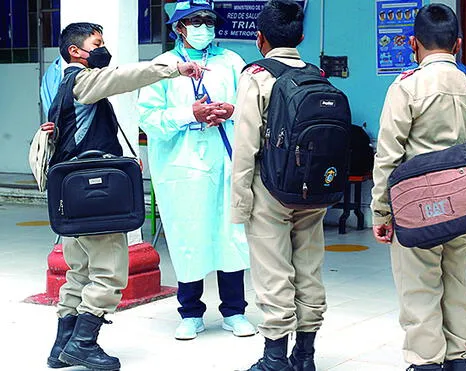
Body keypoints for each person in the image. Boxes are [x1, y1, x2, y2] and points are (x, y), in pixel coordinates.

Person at [45, 22, 206, 370]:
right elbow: (127, 76)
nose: (103, 49)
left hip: (72, 202)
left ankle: (62, 347)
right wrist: (174, 68)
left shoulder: (57, 86)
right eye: (96, 43)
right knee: (109, 274)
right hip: (95, 199)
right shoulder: (83, 81)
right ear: (76, 51)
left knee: (79, 273)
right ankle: (84, 345)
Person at [370, 4, 466, 371]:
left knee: (419, 289)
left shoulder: (406, 86)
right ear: (459, 44)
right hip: (463, 203)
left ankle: (425, 363)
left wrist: (381, 211)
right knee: (455, 284)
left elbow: (388, 156)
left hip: (417, 208)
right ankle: (457, 360)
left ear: (412, 43)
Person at [137, 0, 256, 341]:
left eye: (208, 20)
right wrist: (190, 114)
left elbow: (252, 107)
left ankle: (234, 310)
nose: (203, 26)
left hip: (226, 161)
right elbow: (149, 118)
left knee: (230, 235)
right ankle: (190, 312)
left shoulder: (232, 62)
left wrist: (230, 110)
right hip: (183, 166)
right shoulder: (164, 65)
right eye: (195, 21)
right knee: (189, 235)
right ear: (178, 28)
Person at [230, 1, 327, 370]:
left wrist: (240, 203)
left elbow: (245, 146)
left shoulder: (257, 75)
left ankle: (274, 358)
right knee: (308, 269)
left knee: (273, 274)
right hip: (314, 190)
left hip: (269, 189)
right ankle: (305, 355)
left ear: (260, 38)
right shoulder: (317, 74)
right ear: (301, 37)